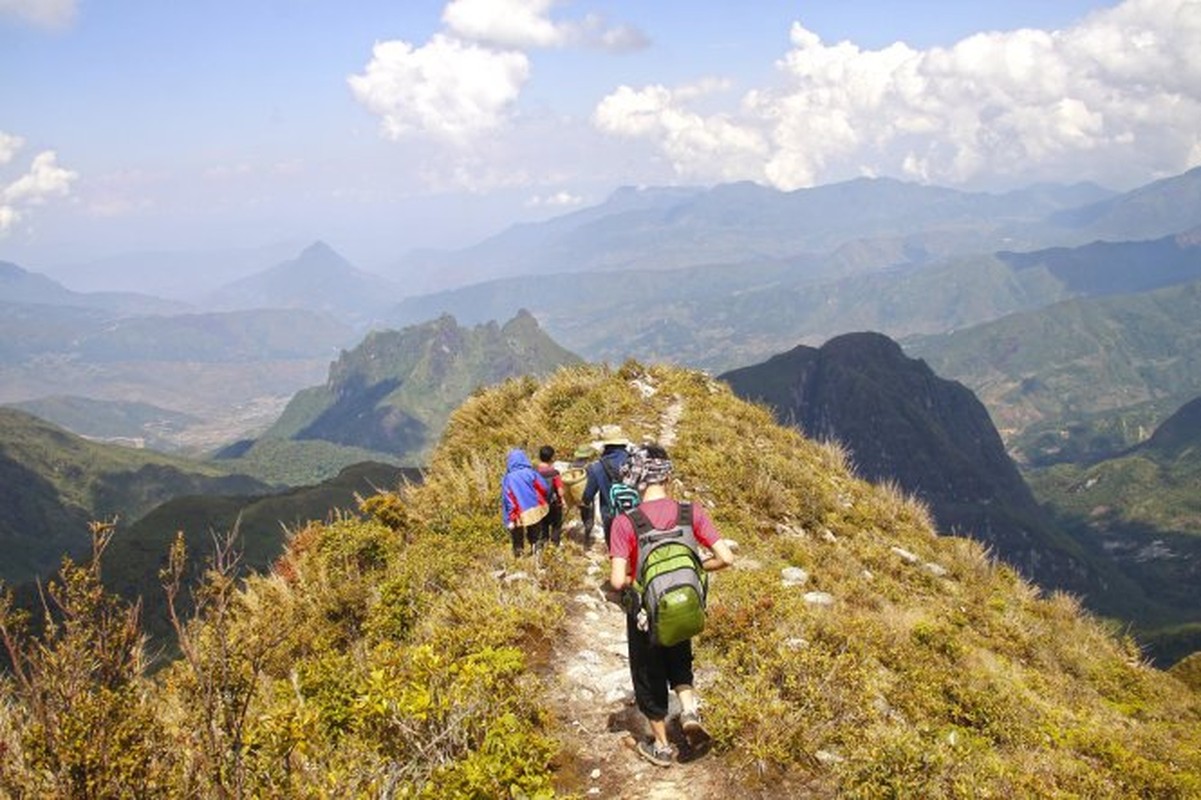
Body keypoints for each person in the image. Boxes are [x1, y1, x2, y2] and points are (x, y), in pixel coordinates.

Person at [608, 443, 735, 768]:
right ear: (666, 475)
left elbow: (618, 580)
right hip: (685, 606)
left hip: (645, 613)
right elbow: (726, 558)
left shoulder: (626, 522)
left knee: (648, 674)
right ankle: (689, 711)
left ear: (636, 478)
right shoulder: (690, 512)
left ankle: (662, 747)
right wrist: (694, 568)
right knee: (680, 660)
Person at [580, 425, 631, 550]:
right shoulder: (634, 460)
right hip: (634, 513)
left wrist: (583, 503)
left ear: (606, 445)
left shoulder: (597, 467)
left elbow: (587, 496)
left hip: (610, 515)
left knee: (616, 551)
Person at [500, 448, 549, 556]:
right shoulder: (531, 473)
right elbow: (544, 487)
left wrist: (508, 517)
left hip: (518, 512)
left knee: (517, 536)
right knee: (535, 532)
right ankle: (537, 553)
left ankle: (519, 556)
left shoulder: (508, 478)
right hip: (534, 508)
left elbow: (507, 498)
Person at [535, 445, 565, 547]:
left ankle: (542, 547)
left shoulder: (534, 473)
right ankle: (554, 546)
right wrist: (563, 501)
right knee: (556, 526)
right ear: (552, 457)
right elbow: (560, 492)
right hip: (554, 504)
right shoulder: (554, 473)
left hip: (539, 504)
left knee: (543, 527)